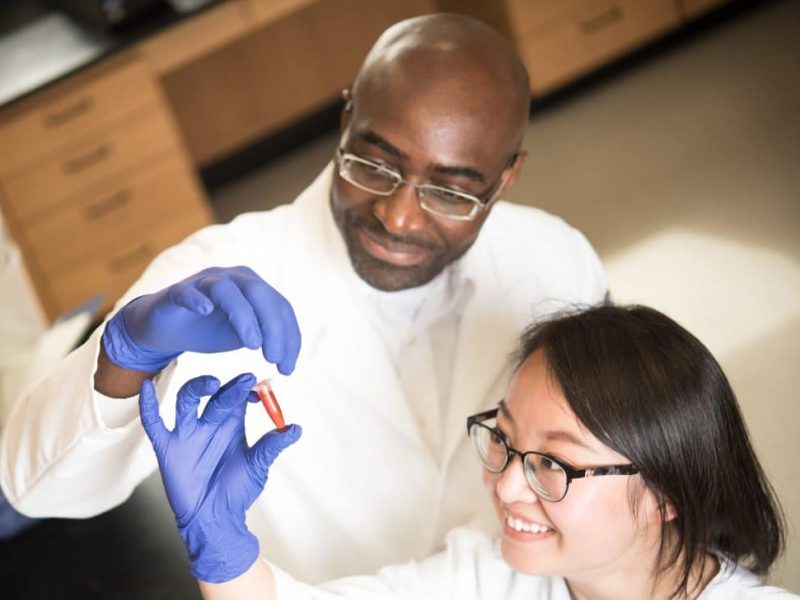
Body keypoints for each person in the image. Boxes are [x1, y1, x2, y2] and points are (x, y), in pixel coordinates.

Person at [0, 14, 607, 582]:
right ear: (347, 119)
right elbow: (37, 487)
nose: (397, 218)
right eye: (374, 163)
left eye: (451, 192)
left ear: (506, 177)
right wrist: (124, 356)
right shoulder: (214, 278)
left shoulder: (558, 261)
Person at [143, 305, 796, 599]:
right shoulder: (492, 577)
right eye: (506, 440)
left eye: (552, 464)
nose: (508, 489)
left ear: (665, 497)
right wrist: (222, 545)